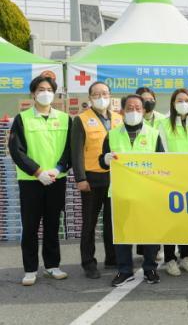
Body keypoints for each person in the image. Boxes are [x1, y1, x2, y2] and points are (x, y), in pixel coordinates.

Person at [9, 75, 72, 286]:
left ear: (54, 93)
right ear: (33, 94)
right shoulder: (22, 119)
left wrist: (58, 168)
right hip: (30, 181)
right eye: (40, 89)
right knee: (30, 226)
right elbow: (16, 150)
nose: (45, 93)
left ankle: (52, 266)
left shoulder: (65, 118)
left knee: (53, 224)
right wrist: (37, 172)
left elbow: (70, 149)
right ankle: (30, 269)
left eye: (49, 90)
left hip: (56, 179)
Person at [100, 94, 164, 287]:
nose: (133, 111)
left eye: (137, 108)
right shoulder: (112, 134)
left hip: (147, 192)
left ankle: (150, 268)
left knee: (150, 231)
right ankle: (124, 270)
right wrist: (106, 159)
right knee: (122, 233)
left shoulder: (153, 134)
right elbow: (101, 161)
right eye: (129, 108)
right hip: (121, 191)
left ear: (144, 111)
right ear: (122, 111)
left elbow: (162, 162)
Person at [71, 81, 121, 279]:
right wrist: (80, 178)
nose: (101, 97)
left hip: (114, 177)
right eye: (97, 94)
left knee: (111, 222)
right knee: (89, 223)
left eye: (105, 93)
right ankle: (88, 263)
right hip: (91, 178)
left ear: (110, 96)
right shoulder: (81, 119)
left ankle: (112, 258)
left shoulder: (119, 118)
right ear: (90, 97)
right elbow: (76, 152)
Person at [158, 89, 188, 276]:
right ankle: (170, 259)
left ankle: (185, 256)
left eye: (187, 100)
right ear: (173, 103)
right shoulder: (164, 124)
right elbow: (161, 152)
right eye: (179, 100)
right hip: (171, 180)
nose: (183, 103)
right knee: (171, 221)